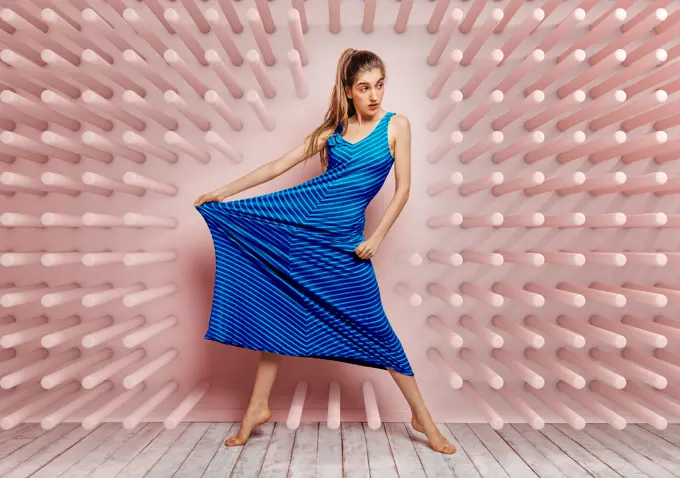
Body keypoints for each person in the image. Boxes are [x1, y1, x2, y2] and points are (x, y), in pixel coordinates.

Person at [194, 48, 455, 455]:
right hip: (304, 233)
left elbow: (403, 189)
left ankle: (422, 416)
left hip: (347, 246)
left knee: (377, 329)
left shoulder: (396, 125)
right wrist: (222, 193)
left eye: (379, 86)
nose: (374, 95)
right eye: (364, 88)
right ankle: (257, 407)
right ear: (349, 91)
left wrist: (378, 237)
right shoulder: (333, 132)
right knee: (282, 314)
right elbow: (279, 165)